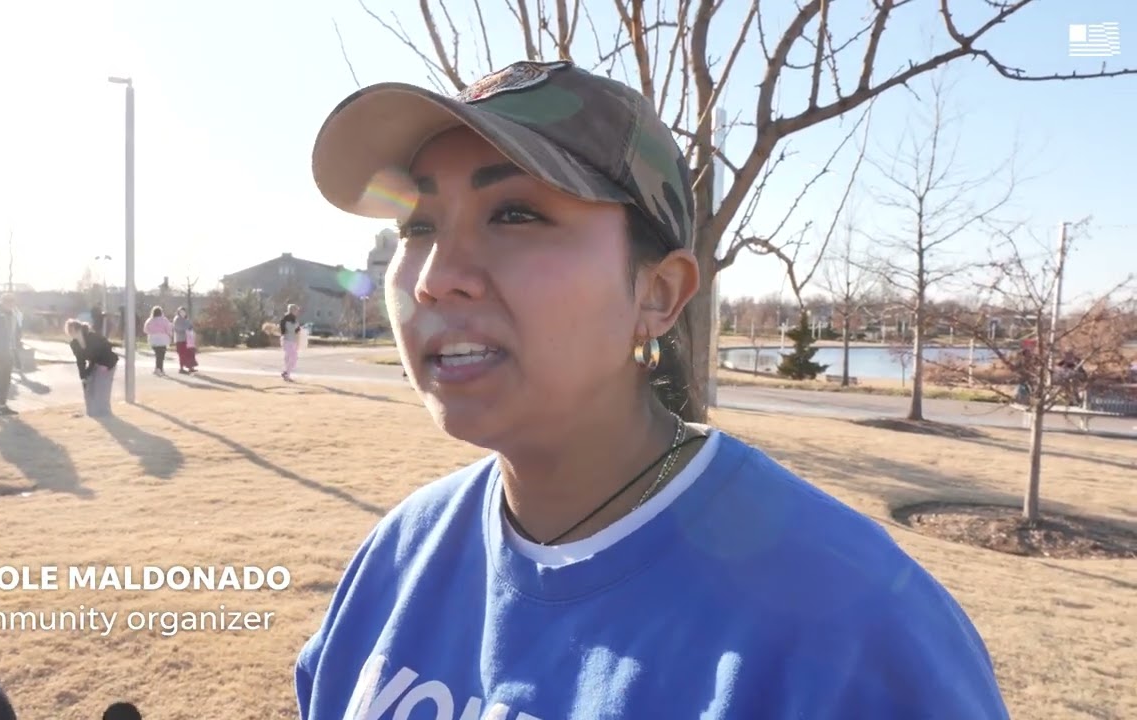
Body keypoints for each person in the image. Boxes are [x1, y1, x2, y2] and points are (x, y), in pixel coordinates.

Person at [295, 60, 1010, 719]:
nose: (433, 277)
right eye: (418, 226)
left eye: (514, 214)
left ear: (660, 293)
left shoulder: (857, 636)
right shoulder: (401, 555)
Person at [65, 319, 119, 417]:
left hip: (107, 362)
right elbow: (80, 361)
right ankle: (91, 412)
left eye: (71, 330)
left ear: (78, 329)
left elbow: (105, 348)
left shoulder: (92, 337)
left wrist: (104, 366)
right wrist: (83, 376)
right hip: (95, 363)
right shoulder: (74, 344)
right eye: (68, 330)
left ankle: (105, 412)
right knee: (88, 386)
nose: (70, 332)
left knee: (102, 388)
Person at [142, 306, 173, 376]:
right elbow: (168, 329)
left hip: (153, 339)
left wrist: (151, 332)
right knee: (161, 355)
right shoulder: (164, 320)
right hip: (163, 339)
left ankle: (158, 368)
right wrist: (170, 336)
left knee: (158, 354)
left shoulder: (150, 320)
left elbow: (145, 330)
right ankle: (159, 368)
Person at [279, 303, 302, 382]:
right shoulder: (286, 320)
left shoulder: (294, 320)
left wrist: (297, 342)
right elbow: (283, 331)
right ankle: (286, 373)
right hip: (287, 341)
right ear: (292, 310)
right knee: (292, 357)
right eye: (296, 310)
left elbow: (297, 332)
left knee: (289, 358)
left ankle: (286, 373)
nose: (297, 312)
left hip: (291, 341)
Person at [172, 306, 199, 374]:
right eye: (181, 311)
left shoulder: (186, 319)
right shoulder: (177, 319)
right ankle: (181, 368)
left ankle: (190, 367)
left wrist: (190, 328)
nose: (183, 313)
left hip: (188, 339)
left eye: (184, 311)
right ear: (178, 312)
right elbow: (177, 328)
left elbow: (190, 326)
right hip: (180, 339)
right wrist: (186, 328)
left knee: (190, 353)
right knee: (182, 354)